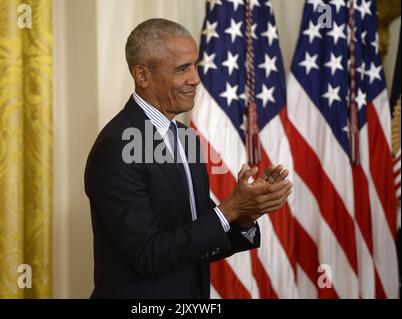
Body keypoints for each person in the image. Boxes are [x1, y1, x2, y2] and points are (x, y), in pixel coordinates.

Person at [84, 18, 293, 299]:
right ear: (142, 75)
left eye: (195, 65)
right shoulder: (116, 147)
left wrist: (245, 214)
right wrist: (229, 209)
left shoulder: (185, 137)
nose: (195, 79)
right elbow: (148, 254)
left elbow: (196, 236)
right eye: (182, 69)